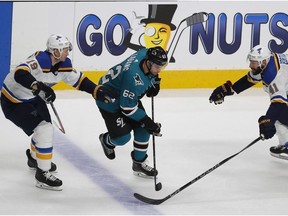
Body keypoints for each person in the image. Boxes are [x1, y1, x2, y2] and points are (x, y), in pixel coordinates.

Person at [0, 34, 115, 190]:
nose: (68, 52)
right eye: (65, 49)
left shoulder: (64, 64)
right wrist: (38, 87)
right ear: (55, 51)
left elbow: (79, 81)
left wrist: (96, 90)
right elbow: (20, 73)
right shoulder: (41, 60)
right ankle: (42, 174)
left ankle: (35, 159)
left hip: (34, 97)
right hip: (14, 101)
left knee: (44, 128)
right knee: (44, 129)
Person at [96, 46, 167, 178]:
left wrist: (154, 80)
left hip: (125, 95)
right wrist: (148, 122)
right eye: (157, 67)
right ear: (149, 62)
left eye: (162, 67)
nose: (159, 70)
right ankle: (106, 140)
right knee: (123, 138)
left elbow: (149, 50)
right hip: (108, 100)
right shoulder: (134, 78)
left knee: (144, 129)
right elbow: (127, 108)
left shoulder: (145, 54)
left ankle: (138, 163)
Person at [209, 45, 288, 160]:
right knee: (277, 115)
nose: (251, 65)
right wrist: (230, 89)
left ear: (263, 62)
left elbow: (279, 103)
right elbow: (250, 79)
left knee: (277, 115)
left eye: (254, 63)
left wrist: (268, 120)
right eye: (251, 61)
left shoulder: (275, 74)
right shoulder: (267, 64)